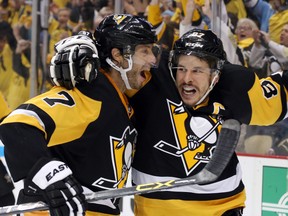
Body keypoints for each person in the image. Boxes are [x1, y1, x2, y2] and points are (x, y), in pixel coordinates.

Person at [51, 25, 288, 215]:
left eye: (197, 70)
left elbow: (280, 95)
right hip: (156, 208)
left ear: (216, 74)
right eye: (181, 68)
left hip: (221, 206)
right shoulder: (150, 79)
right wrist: (82, 48)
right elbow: (116, 54)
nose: (186, 78)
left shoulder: (237, 87)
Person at [0, 14, 158, 215]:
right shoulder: (91, 94)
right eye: (145, 51)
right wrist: (49, 174)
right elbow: (17, 125)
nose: (152, 60)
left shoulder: (120, 98)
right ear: (119, 55)